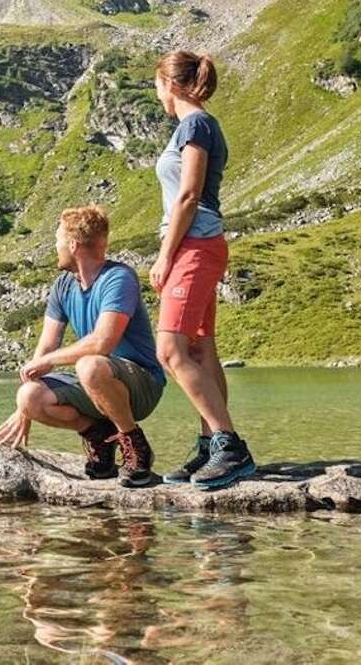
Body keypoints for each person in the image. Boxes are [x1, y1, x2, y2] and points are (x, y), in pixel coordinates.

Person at [0, 205, 166, 487]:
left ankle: (135, 445)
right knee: (29, 396)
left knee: (90, 364)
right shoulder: (63, 286)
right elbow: (47, 345)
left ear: (73, 246)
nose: (55, 247)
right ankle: (99, 434)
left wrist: (49, 362)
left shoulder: (119, 278)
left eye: (58, 242)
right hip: (96, 383)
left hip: (141, 384)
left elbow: (103, 341)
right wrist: (22, 410)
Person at [149, 50, 255, 489]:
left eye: (157, 84)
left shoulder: (195, 125)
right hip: (200, 245)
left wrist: (165, 255)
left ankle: (230, 446)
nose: (156, 94)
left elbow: (189, 195)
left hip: (194, 245)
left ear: (171, 85)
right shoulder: (196, 126)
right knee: (199, 350)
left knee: (169, 349)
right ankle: (211, 442)